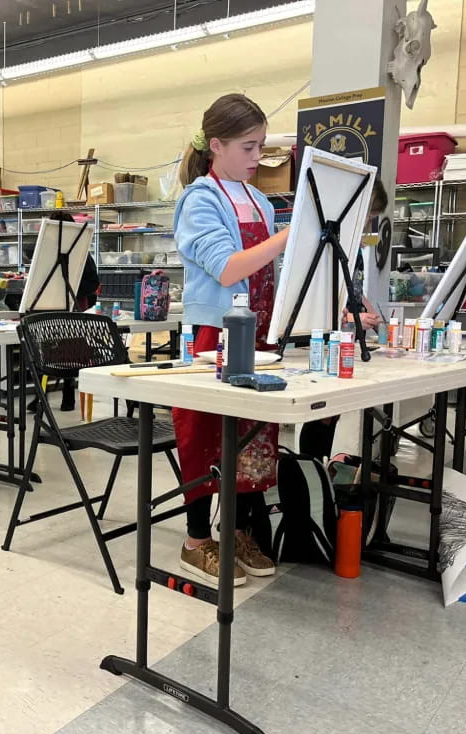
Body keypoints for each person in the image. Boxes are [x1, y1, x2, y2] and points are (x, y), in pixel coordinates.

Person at [172, 93, 289, 587]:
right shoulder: (199, 199)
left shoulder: (259, 199)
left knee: (252, 436)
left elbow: (273, 268)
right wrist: (291, 235)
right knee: (203, 435)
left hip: (261, 331)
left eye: (260, 146)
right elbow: (225, 267)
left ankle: (237, 529)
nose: (256, 157)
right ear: (216, 145)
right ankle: (196, 540)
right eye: (248, 146)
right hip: (216, 332)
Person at [298, 177, 389, 461]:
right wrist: (352, 316)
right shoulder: (322, 243)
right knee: (322, 412)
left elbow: (353, 289)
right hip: (323, 338)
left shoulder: (351, 246)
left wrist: (366, 310)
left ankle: (322, 470)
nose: (368, 224)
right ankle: (312, 470)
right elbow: (316, 300)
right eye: (369, 216)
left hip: (343, 336)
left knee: (332, 412)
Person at [24, 211, 100, 412]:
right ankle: (42, 397)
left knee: (66, 351)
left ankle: (66, 395)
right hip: (49, 305)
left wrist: (69, 290)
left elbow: (93, 283)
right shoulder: (46, 251)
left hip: (72, 307)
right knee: (47, 350)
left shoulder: (81, 252)